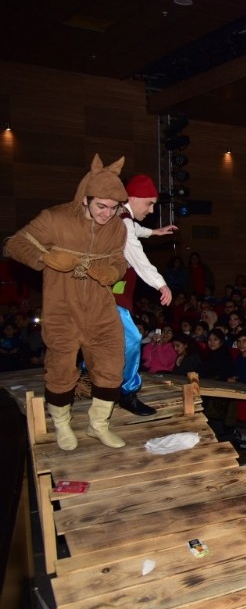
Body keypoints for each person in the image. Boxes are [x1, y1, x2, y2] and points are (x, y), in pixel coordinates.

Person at [4, 155, 129, 449]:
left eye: (114, 208)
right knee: (61, 370)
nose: (107, 213)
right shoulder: (54, 219)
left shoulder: (117, 228)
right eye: (101, 206)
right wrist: (45, 257)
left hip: (101, 311)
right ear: (85, 198)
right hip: (62, 310)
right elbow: (14, 244)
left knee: (112, 366)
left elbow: (120, 262)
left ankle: (99, 425)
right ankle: (62, 424)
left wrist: (112, 271)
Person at [112, 174, 177, 416]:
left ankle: (91, 375)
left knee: (102, 340)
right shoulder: (124, 223)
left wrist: (155, 232)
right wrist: (162, 285)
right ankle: (127, 393)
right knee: (131, 340)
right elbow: (139, 259)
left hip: (110, 294)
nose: (151, 209)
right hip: (113, 297)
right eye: (149, 203)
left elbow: (133, 230)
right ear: (133, 198)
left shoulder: (120, 215)